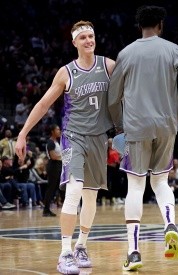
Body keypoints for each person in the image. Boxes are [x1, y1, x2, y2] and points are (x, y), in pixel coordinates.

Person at [15, 20, 115, 274]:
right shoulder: (66, 72)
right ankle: (65, 252)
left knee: (91, 197)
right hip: (73, 137)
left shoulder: (109, 66)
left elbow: (129, 94)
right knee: (74, 189)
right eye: (83, 37)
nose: (89, 40)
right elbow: (42, 104)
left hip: (99, 138)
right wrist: (23, 133)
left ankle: (81, 246)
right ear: (74, 43)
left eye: (91, 36)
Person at [107, 5, 178, 271]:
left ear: (140, 26)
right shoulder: (175, 50)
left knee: (135, 186)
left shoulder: (125, 53)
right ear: (161, 24)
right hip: (167, 125)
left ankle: (134, 253)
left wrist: (118, 128)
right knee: (160, 181)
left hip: (136, 127)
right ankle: (170, 224)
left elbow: (113, 99)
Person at [44, 124, 62, 217]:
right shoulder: (50, 142)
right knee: (51, 189)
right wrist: (64, 156)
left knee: (61, 188)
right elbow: (53, 157)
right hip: (53, 166)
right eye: (57, 129)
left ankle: (67, 209)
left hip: (58, 166)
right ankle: (46, 210)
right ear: (52, 131)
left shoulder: (56, 142)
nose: (59, 131)